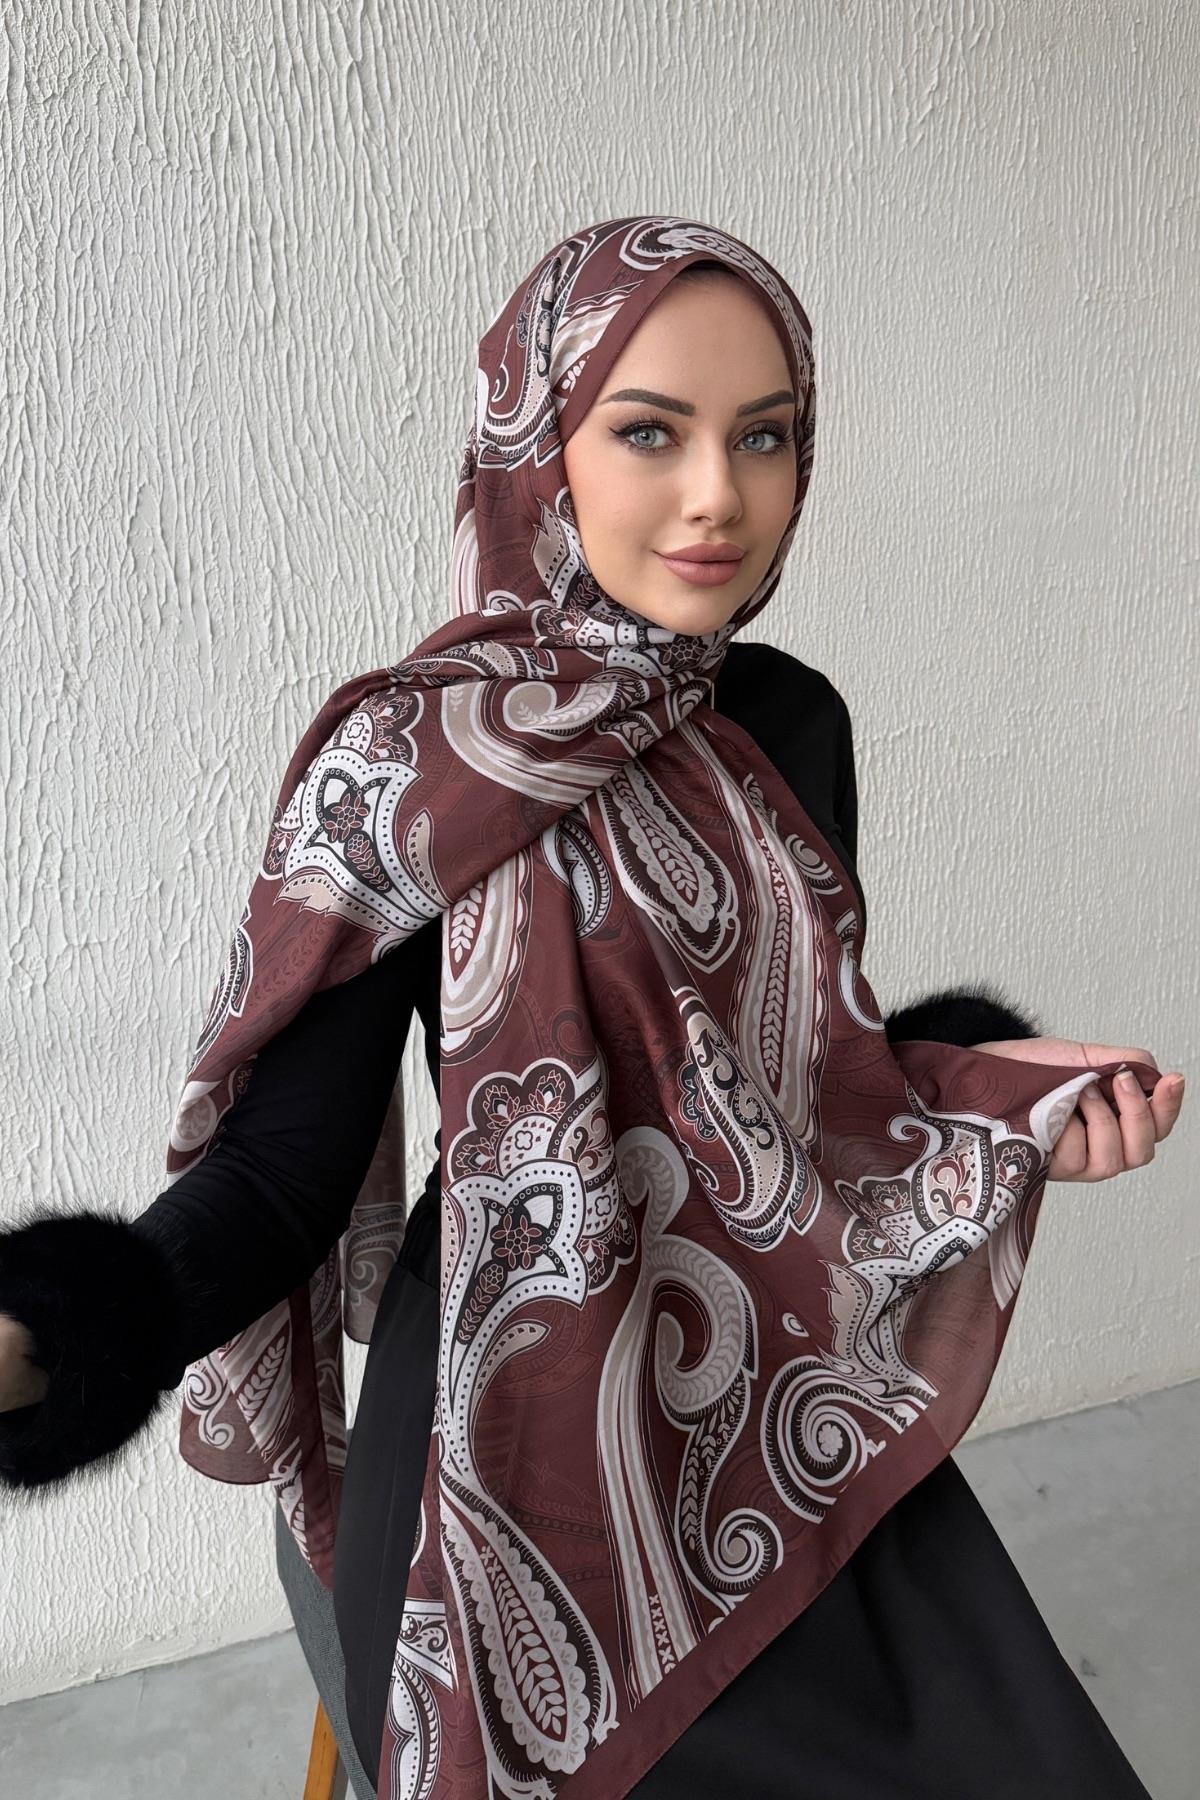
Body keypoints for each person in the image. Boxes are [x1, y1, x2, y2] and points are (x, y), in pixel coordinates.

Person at [0, 219, 1182, 1799]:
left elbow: (794, 1080)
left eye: (764, 436)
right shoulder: (410, 766)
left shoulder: (784, 720)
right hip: (502, 1407)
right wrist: (44, 1338)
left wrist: (983, 1085)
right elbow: (278, 1182)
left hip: (778, 1370)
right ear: (539, 444)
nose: (717, 497)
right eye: (648, 432)